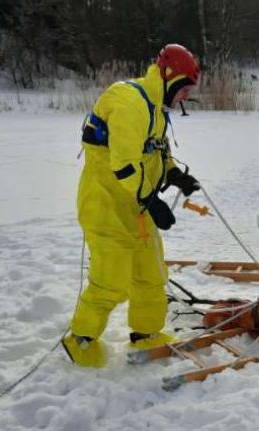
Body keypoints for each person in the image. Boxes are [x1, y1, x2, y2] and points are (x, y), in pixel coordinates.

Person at [62, 44, 202, 368]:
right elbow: (124, 164)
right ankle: (80, 338)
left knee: (151, 273)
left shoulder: (155, 109)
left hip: (136, 206)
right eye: (183, 89)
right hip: (106, 204)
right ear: (169, 78)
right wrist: (152, 201)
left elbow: (154, 151)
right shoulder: (129, 102)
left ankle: (146, 332)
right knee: (111, 278)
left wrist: (175, 175)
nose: (184, 96)